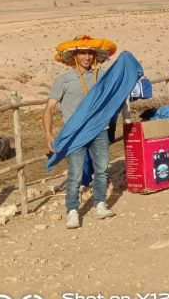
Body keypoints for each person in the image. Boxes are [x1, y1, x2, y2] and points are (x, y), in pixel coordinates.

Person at [44, 35, 118, 229]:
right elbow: (49, 108)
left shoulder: (101, 76)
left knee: (101, 169)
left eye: (90, 53)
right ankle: (72, 211)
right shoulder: (63, 80)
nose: (86, 57)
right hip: (75, 134)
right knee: (75, 173)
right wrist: (49, 135)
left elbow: (117, 91)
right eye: (82, 53)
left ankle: (100, 204)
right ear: (74, 56)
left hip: (99, 130)